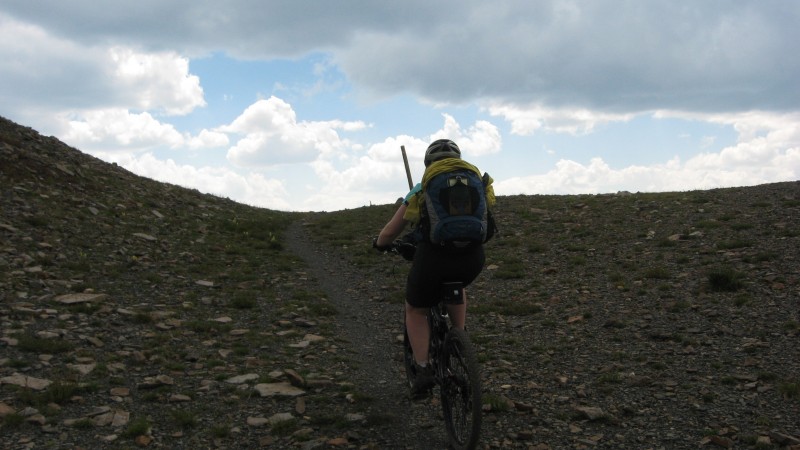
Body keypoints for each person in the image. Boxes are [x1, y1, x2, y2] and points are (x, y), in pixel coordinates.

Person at [373, 139, 495, 399]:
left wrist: (380, 243)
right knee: (457, 285)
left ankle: (423, 368)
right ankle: (459, 336)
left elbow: (394, 229)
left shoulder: (423, 186)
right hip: (472, 257)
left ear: (428, 163)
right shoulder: (478, 180)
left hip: (434, 258)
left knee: (416, 309)